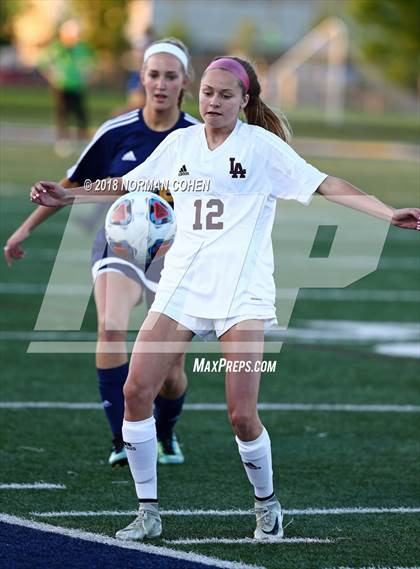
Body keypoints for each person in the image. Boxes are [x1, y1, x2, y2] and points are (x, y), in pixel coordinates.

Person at [29, 56, 420, 542]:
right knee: (135, 391)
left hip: (242, 293)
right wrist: (65, 197)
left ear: (245, 101)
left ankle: (267, 506)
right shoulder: (181, 143)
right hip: (183, 285)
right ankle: (148, 513)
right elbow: (128, 184)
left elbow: (327, 185)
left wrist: (386, 213)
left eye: (225, 95)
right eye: (208, 93)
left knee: (241, 414)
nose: (213, 101)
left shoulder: (261, 148)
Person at [6, 38, 199, 468]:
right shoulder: (116, 132)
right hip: (118, 244)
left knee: (169, 373)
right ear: (142, 78)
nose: (161, 84)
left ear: (185, 81)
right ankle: (122, 440)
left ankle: (165, 433)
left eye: (171, 76)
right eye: (153, 75)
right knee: (111, 328)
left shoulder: (198, 138)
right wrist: (24, 229)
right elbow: (72, 185)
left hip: (177, 254)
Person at [38, 19, 95, 155]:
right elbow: (43, 63)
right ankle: (63, 141)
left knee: (81, 114)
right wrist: (51, 77)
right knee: (62, 114)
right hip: (61, 87)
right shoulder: (56, 48)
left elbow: (89, 65)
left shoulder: (81, 48)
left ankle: (83, 141)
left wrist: (87, 76)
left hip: (77, 86)